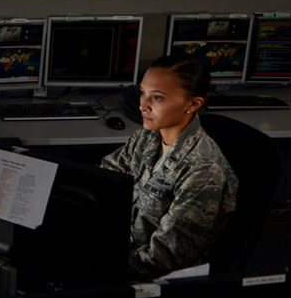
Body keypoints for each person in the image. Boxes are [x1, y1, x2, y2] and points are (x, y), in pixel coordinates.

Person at [100, 54, 238, 277]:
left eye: (157, 98)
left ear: (193, 104)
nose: (142, 105)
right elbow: (103, 181)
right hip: (119, 248)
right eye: (143, 93)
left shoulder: (203, 170)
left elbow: (163, 259)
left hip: (149, 277)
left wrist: (101, 260)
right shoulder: (146, 137)